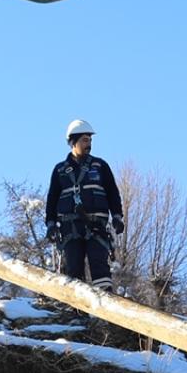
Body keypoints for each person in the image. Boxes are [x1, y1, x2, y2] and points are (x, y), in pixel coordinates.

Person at [45, 120, 124, 293]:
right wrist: (50, 224)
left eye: (90, 140)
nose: (89, 144)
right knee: (73, 268)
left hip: (96, 226)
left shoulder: (100, 166)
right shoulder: (60, 170)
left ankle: (106, 311)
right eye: (85, 140)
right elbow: (52, 199)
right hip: (70, 227)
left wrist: (117, 216)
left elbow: (112, 192)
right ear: (73, 142)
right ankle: (76, 313)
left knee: (99, 266)